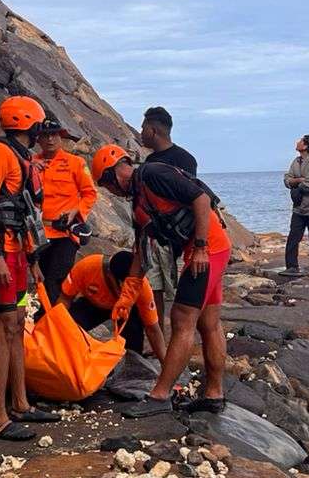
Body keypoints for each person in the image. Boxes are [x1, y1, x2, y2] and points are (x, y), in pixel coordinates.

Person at [91, 144, 230, 417]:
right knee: (209, 323)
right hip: (209, 249)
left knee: (181, 319)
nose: (111, 191)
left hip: (208, 249)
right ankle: (214, 394)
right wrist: (126, 297)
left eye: (107, 184)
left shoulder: (153, 174)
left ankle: (159, 395)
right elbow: (141, 251)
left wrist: (200, 247)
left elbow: (201, 199)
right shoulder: (139, 202)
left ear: (116, 170)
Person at [0, 96, 59, 440]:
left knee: (18, 322)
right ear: (30, 125)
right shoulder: (0, 154)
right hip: (1, 255)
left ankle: (20, 403)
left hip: (17, 254)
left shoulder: (20, 157)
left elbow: (23, 214)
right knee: (6, 326)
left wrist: (32, 260)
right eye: (39, 125)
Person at [137, 105, 196, 329]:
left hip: (179, 238)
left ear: (154, 130)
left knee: (179, 292)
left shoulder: (183, 160)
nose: (141, 131)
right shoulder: (149, 162)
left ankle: (180, 335)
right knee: (154, 288)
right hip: (155, 237)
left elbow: (193, 197)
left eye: (143, 127)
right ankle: (158, 335)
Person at [33, 114, 97, 304]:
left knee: (57, 281)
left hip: (64, 235)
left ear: (61, 137)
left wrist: (77, 211)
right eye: (45, 135)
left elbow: (90, 194)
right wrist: (29, 166)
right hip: (38, 233)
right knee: (40, 281)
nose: (50, 139)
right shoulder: (31, 163)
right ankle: (43, 319)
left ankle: (54, 321)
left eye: (54, 134)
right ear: (39, 139)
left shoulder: (75, 163)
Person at [62, 250, 167, 360]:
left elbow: (153, 329)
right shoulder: (88, 267)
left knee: (133, 346)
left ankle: (131, 361)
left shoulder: (141, 287)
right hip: (93, 305)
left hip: (126, 312)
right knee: (69, 324)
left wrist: (165, 365)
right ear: (109, 274)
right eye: (121, 286)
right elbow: (65, 299)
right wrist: (57, 328)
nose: (125, 291)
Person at [282, 133, 309, 275]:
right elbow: (287, 179)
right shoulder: (296, 161)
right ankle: (292, 267)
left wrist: (298, 182)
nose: (298, 142)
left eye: (300, 141)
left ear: (306, 145)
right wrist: (298, 180)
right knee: (293, 237)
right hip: (298, 207)